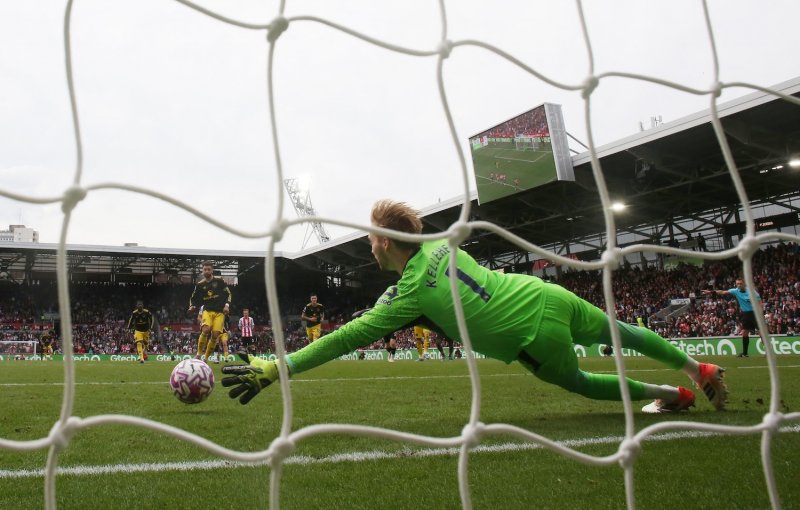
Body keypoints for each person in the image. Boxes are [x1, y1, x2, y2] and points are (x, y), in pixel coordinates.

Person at [222, 199, 728, 414]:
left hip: (530, 337)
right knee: (619, 331)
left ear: (385, 243)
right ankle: (698, 366)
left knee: (577, 381)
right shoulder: (441, 244)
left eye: (372, 239)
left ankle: (675, 394)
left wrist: (280, 365)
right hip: (542, 294)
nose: (368, 246)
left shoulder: (410, 292)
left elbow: (347, 337)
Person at [702, 279, 761, 357]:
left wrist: (760, 313)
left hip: (755, 313)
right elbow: (723, 292)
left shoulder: (752, 292)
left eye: (740, 283)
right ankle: (745, 353)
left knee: (761, 333)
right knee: (744, 333)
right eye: (737, 284)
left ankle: (768, 352)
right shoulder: (736, 291)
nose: (739, 285)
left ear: (744, 284)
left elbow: (760, 303)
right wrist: (711, 292)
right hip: (746, 314)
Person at [188, 261, 232, 362]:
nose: (206, 271)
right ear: (202, 270)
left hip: (220, 312)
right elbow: (193, 298)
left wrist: (227, 305)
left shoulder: (219, 281)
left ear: (212, 270)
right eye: (205, 269)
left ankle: (206, 358)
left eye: (209, 269)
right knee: (206, 330)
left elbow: (229, 294)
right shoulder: (200, 285)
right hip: (207, 310)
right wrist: (191, 306)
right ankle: (199, 354)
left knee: (215, 335)